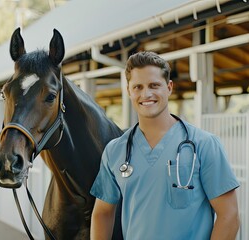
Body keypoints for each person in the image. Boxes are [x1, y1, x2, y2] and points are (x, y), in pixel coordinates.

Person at [90, 51, 240, 240]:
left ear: (169, 87)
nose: (146, 94)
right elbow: (102, 213)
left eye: (154, 85)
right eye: (138, 87)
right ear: (128, 91)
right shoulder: (115, 151)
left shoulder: (204, 144)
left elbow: (229, 216)